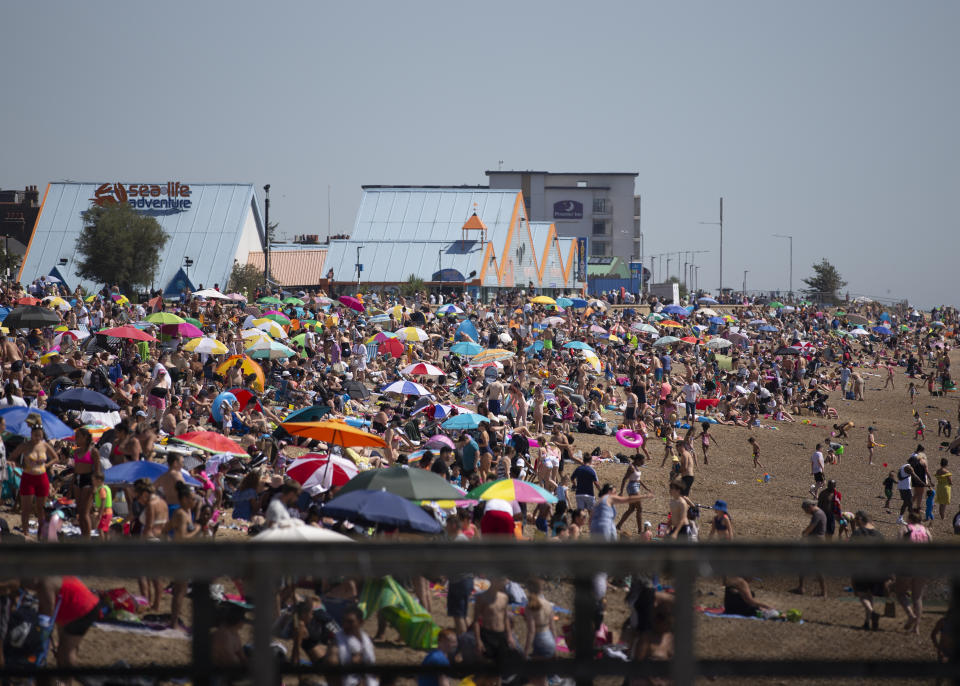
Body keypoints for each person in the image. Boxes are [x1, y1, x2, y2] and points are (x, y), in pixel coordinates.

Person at [9, 414, 58, 539]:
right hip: (28, 477)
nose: (38, 438)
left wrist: (47, 465)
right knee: (26, 508)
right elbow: (11, 458)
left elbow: (55, 458)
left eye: (40, 435)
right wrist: (19, 467)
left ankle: (40, 533)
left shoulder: (45, 445)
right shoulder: (25, 446)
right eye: (36, 435)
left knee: (41, 509)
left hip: (42, 477)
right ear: (31, 434)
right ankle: (25, 532)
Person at [850, 511, 887, 631]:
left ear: (860, 520)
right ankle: (867, 621)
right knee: (870, 595)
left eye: (856, 521)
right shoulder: (879, 535)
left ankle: (872, 613)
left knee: (861, 594)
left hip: (861, 568)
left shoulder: (858, 533)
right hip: (877, 569)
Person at [897, 512, 930, 634]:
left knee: (900, 593)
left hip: (907, 565)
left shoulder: (905, 529)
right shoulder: (926, 531)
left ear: (909, 519)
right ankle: (916, 628)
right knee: (917, 597)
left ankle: (910, 615)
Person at [328, 605, 378, 686]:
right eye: (344, 621)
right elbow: (332, 666)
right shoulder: (337, 642)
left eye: (350, 622)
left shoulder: (366, 640)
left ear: (361, 622)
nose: (346, 625)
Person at [523, 579, 557, 686]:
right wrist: (555, 646)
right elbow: (553, 628)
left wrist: (525, 651)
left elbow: (531, 631)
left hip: (540, 641)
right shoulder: (548, 604)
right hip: (550, 641)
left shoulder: (530, 607)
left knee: (536, 676)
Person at [793, 500, 826, 597]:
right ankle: (802, 587)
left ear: (809, 507)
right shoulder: (820, 513)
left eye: (806, 510)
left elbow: (810, 528)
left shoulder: (817, 514)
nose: (806, 512)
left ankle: (804, 588)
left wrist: (804, 534)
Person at [91, 471, 113, 541]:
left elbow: (103, 501)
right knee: (105, 529)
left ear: (99, 480)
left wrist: (100, 514)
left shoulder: (102, 489)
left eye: (94, 480)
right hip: (109, 512)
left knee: (101, 529)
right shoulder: (106, 487)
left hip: (104, 512)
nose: (93, 482)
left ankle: (103, 544)